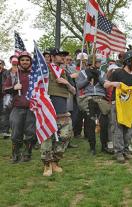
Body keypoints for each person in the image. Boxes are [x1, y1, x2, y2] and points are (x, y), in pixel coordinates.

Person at [41, 48, 75, 176]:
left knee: (65, 135)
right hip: (47, 108)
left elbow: (74, 91)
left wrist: (66, 83)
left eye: (63, 55)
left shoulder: (64, 72)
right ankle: (47, 164)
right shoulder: (44, 69)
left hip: (62, 109)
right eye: (60, 55)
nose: (62, 57)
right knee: (47, 137)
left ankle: (55, 161)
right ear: (52, 57)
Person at [105, 51, 132, 163]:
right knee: (118, 128)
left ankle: (126, 150)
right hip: (117, 104)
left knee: (128, 128)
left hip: (129, 106)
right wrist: (113, 84)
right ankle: (118, 152)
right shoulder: (117, 72)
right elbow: (105, 84)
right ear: (128, 62)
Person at [3, 52, 36, 163]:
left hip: (32, 107)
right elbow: (5, 89)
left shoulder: (36, 73)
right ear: (19, 62)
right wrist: (14, 87)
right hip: (17, 107)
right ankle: (15, 154)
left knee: (30, 133)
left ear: (30, 61)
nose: (25, 62)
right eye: (22, 60)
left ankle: (27, 153)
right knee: (16, 132)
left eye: (27, 60)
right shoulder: (13, 74)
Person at [76, 58, 113, 155]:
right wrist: (88, 79)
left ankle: (104, 146)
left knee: (104, 124)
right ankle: (92, 147)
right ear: (91, 63)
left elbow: (106, 84)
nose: (99, 63)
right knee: (90, 124)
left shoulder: (102, 73)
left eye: (100, 62)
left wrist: (98, 77)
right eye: (97, 62)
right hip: (89, 98)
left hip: (101, 98)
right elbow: (79, 85)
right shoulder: (82, 73)